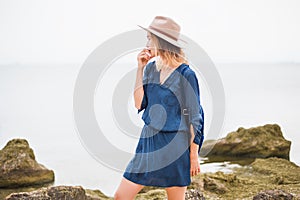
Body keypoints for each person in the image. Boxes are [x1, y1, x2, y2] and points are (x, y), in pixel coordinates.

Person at [114, 16, 204, 200]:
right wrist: (140, 68)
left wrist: (193, 155)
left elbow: (195, 116)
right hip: (148, 143)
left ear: (161, 42)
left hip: (175, 145)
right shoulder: (150, 69)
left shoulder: (186, 74)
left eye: (149, 38)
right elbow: (140, 104)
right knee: (121, 196)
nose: (146, 43)